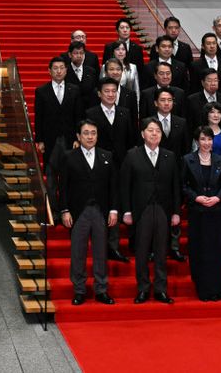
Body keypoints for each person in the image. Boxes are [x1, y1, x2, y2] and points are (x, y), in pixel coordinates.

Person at [120, 118, 181, 304]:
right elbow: (125, 185)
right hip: (142, 209)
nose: (154, 133)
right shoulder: (132, 155)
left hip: (163, 208)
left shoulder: (170, 156)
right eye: (150, 130)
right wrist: (126, 211)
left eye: (158, 131)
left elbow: (176, 186)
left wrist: (176, 212)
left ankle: (161, 289)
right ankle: (143, 288)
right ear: (142, 134)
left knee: (162, 250)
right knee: (142, 250)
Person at [59, 119, 117, 305]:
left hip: (101, 210)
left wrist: (114, 210)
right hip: (78, 212)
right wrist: (64, 210)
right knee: (78, 252)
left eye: (93, 133)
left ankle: (101, 289)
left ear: (97, 135)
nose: (90, 137)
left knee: (101, 252)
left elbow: (113, 186)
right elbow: (63, 187)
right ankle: (79, 290)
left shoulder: (107, 155)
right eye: (86, 133)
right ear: (78, 136)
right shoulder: (69, 157)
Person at [85, 77, 136, 263]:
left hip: (122, 165)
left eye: (114, 91)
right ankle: (102, 246)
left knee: (119, 204)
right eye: (106, 91)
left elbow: (131, 140)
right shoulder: (91, 113)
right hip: (100, 166)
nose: (110, 94)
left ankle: (114, 247)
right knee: (103, 205)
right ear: (99, 93)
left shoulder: (125, 112)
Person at [182, 126, 221, 301]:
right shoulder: (187, 160)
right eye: (203, 139)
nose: (206, 143)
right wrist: (196, 197)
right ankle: (203, 290)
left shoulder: (220, 160)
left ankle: (218, 290)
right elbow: (183, 185)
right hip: (198, 213)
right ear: (197, 141)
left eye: (209, 139)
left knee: (216, 252)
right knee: (200, 251)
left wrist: (217, 198)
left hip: (216, 213)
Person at [34, 57, 84, 216]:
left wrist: (78, 138)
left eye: (62, 68)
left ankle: (67, 209)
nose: (59, 71)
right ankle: (54, 212)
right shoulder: (41, 91)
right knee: (50, 178)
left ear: (66, 70)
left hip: (70, 139)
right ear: (49, 71)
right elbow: (39, 117)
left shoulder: (74, 89)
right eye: (55, 68)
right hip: (50, 140)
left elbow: (79, 116)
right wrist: (39, 140)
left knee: (69, 176)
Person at [152, 87, 190, 262]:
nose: (166, 103)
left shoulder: (181, 122)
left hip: (175, 174)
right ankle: (154, 248)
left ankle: (174, 247)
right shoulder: (149, 123)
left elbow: (186, 150)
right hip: (153, 173)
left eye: (169, 100)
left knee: (175, 210)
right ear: (156, 103)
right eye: (163, 100)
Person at [197, 101, 221, 251]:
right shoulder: (201, 132)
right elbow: (194, 156)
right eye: (212, 112)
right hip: (205, 181)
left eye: (218, 112)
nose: (216, 115)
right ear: (206, 115)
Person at [186, 68, 221, 133]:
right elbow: (189, 126)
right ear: (202, 82)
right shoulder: (192, 100)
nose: (213, 83)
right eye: (209, 80)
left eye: (216, 80)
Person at [189, 32, 221, 99]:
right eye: (208, 43)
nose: (212, 46)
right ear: (203, 46)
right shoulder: (195, 65)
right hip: (203, 101)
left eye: (214, 43)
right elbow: (194, 88)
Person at [101, 58, 138, 131]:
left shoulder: (130, 94)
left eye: (118, 69)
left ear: (122, 72)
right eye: (111, 69)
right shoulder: (98, 93)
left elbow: (134, 122)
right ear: (105, 72)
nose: (115, 72)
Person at [65, 41, 98, 108]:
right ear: (70, 55)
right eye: (76, 53)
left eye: (81, 53)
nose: (79, 56)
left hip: (88, 109)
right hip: (70, 108)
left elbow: (94, 92)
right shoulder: (64, 71)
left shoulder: (91, 71)